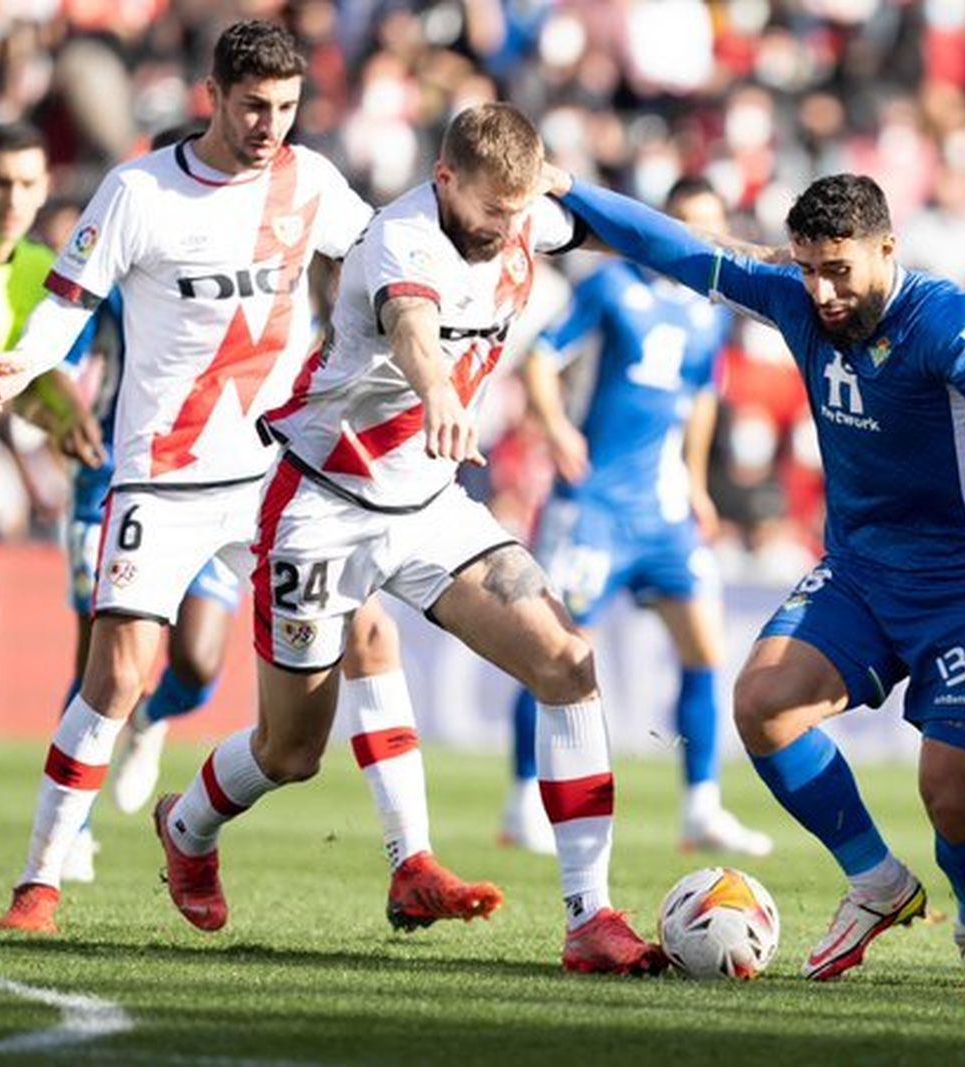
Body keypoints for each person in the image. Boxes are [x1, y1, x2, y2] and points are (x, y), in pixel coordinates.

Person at [0, 21, 497, 935]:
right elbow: (68, 301)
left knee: (368, 633)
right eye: (254, 105)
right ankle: (39, 883)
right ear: (211, 96)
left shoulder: (312, 182)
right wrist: (25, 363)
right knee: (120, 674)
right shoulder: (139, 191)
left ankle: (410, 861)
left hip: (277, 472)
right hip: (162, 474)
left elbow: (390, 254)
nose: (270, 125)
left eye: (287, 107)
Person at [153, 102, 666, 975]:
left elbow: (620, 232)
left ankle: (590, 917)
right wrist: (439, 396)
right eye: (493, 209)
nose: (508, 227)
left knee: (567, 662)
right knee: (291, 751)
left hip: (428, 502)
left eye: (519, 210)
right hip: (322, 504)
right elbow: (414, 331)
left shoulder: (518, 217)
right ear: (444, 180)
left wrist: (729, 261)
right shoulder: (401, 239)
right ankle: (187, 825)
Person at [554, 169, 965, 986]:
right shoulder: (796, 300)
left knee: (949, 793)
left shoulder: (939, 318)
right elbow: (676, 250)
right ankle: (878, 883)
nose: (823, 292)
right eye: (808, 269)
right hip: (861, 567)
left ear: (887, 248)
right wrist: (566, 186)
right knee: (763, 704)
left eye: (839, 270)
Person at [500, 176, 771, 859]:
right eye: (685, 223)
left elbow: (700, 397)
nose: (698, 237)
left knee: (705, 648)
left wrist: (697, 483)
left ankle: (701, 806)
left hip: (665, 510)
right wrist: (556, 428)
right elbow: (540, 357)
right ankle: (524, 798)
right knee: (558, 651)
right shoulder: (611, 286)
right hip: (594, 504)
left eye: (710, 225)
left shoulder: (711, 310)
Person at [0, 121, 103, 650]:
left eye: (26, 184)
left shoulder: (42, 272)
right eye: (0, 182)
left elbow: (30, 388)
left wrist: (69, 419)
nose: (13, 200)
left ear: (46, 188)